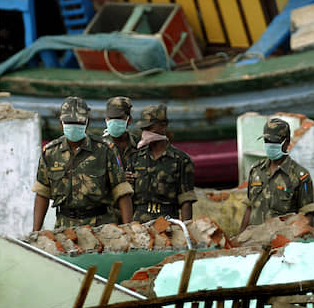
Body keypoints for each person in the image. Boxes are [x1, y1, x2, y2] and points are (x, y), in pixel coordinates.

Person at [32, 96, 134, 230]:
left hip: (100, 227)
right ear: (60, 122)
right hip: (65, 227)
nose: (74, 126)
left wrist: (128, 230)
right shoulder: (50, 153)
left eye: (79, 122)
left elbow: (122, 192)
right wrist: (36, 232)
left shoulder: (104, 150)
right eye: (69, 122)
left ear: (88, 122)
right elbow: (42, 194)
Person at [240, 118, 314, 231]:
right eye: (267, 141)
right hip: (254, 240)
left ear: (286, 142)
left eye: (274, 142)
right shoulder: (256, 170)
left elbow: (307, 214)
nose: (269, 145)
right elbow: (249, 207)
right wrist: (240, 237)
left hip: (282, 241)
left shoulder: (300, 176)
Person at [127, 103, 197, 222]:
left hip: (167, 220)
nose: (145, 133)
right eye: (143, 129)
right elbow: (127, 196)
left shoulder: (181, 160)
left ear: (163, 126)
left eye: (149, 128)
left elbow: (186, 200)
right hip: (139, 223)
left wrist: (186, 229)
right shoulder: (136, 157)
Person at [102, 96, 139, 166]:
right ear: (106, 119)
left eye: (119, 118)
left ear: (129, 120)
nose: (114, 122)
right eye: (111, 118)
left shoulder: (139, 145)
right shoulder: (99, 146)